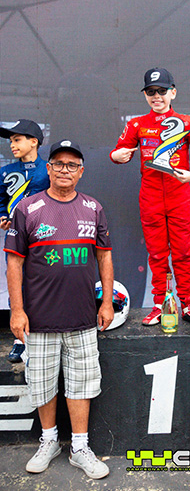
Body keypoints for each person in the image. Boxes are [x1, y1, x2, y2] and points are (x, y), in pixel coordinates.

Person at [4, 139, 114, 479]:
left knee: (81, 383)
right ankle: (49, 440)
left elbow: (104, 255)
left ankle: (80, 447)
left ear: (81, 172)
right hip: (39, 318)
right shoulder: (27, 208)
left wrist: (107, 302)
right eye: (58, 164)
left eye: (72, 165)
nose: (64, 170)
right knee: (42, 382)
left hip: (83, 317)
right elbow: (13, 263)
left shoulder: (93, 208)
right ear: (48, 169)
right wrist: (17, 310)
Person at [110, 68, 190, 326]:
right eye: (151, 91)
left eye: (162, 91)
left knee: (182, 252)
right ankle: (160, 303)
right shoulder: (137, 124)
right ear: (145, 95)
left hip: (179, 195)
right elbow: (118, 151)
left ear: (173, 92)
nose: (157, 96)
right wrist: (117, 156)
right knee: (157, 253)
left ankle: (189, 304)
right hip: (150, 196)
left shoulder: (188, 122)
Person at [0, 119, 50, 364]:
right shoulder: (6, 171)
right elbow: (1, 198)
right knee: (16, 283)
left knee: (45, 281)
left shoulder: (48, 169)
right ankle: (20, 339)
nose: (12, 145)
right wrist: (2, 214)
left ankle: (44, 333)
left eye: (17, 139)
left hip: (45, 237)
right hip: (15, 236)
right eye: (10, 141)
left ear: (34, 142)